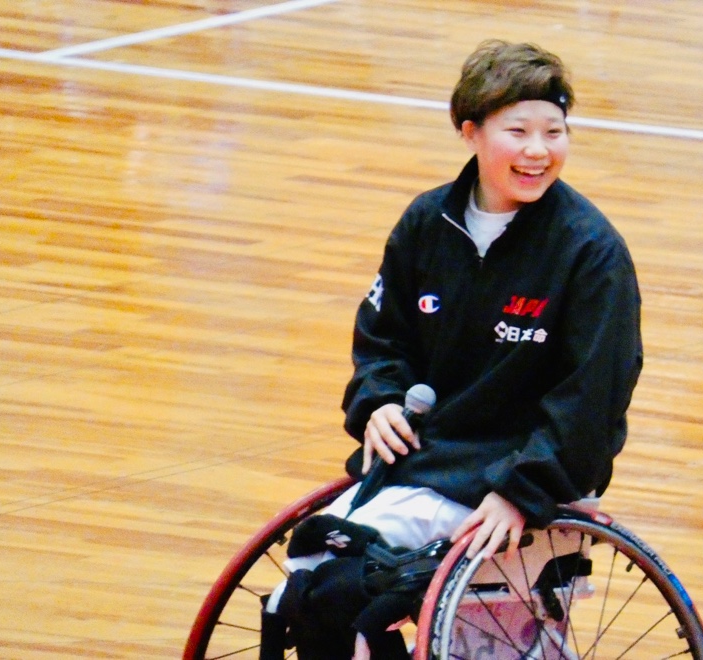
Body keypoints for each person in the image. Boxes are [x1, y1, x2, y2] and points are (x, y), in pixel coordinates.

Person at [264, 39, 644, 660]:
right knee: (306, 581)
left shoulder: (591, 253)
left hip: (521, 476)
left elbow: (592, 401)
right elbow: (382, 336)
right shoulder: (426, 223)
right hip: (429, 462)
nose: (538, 150)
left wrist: (521, 491)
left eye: (554, 132)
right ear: (471, 132)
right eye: (518, 131)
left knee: (336, 585)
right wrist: (379, 400)